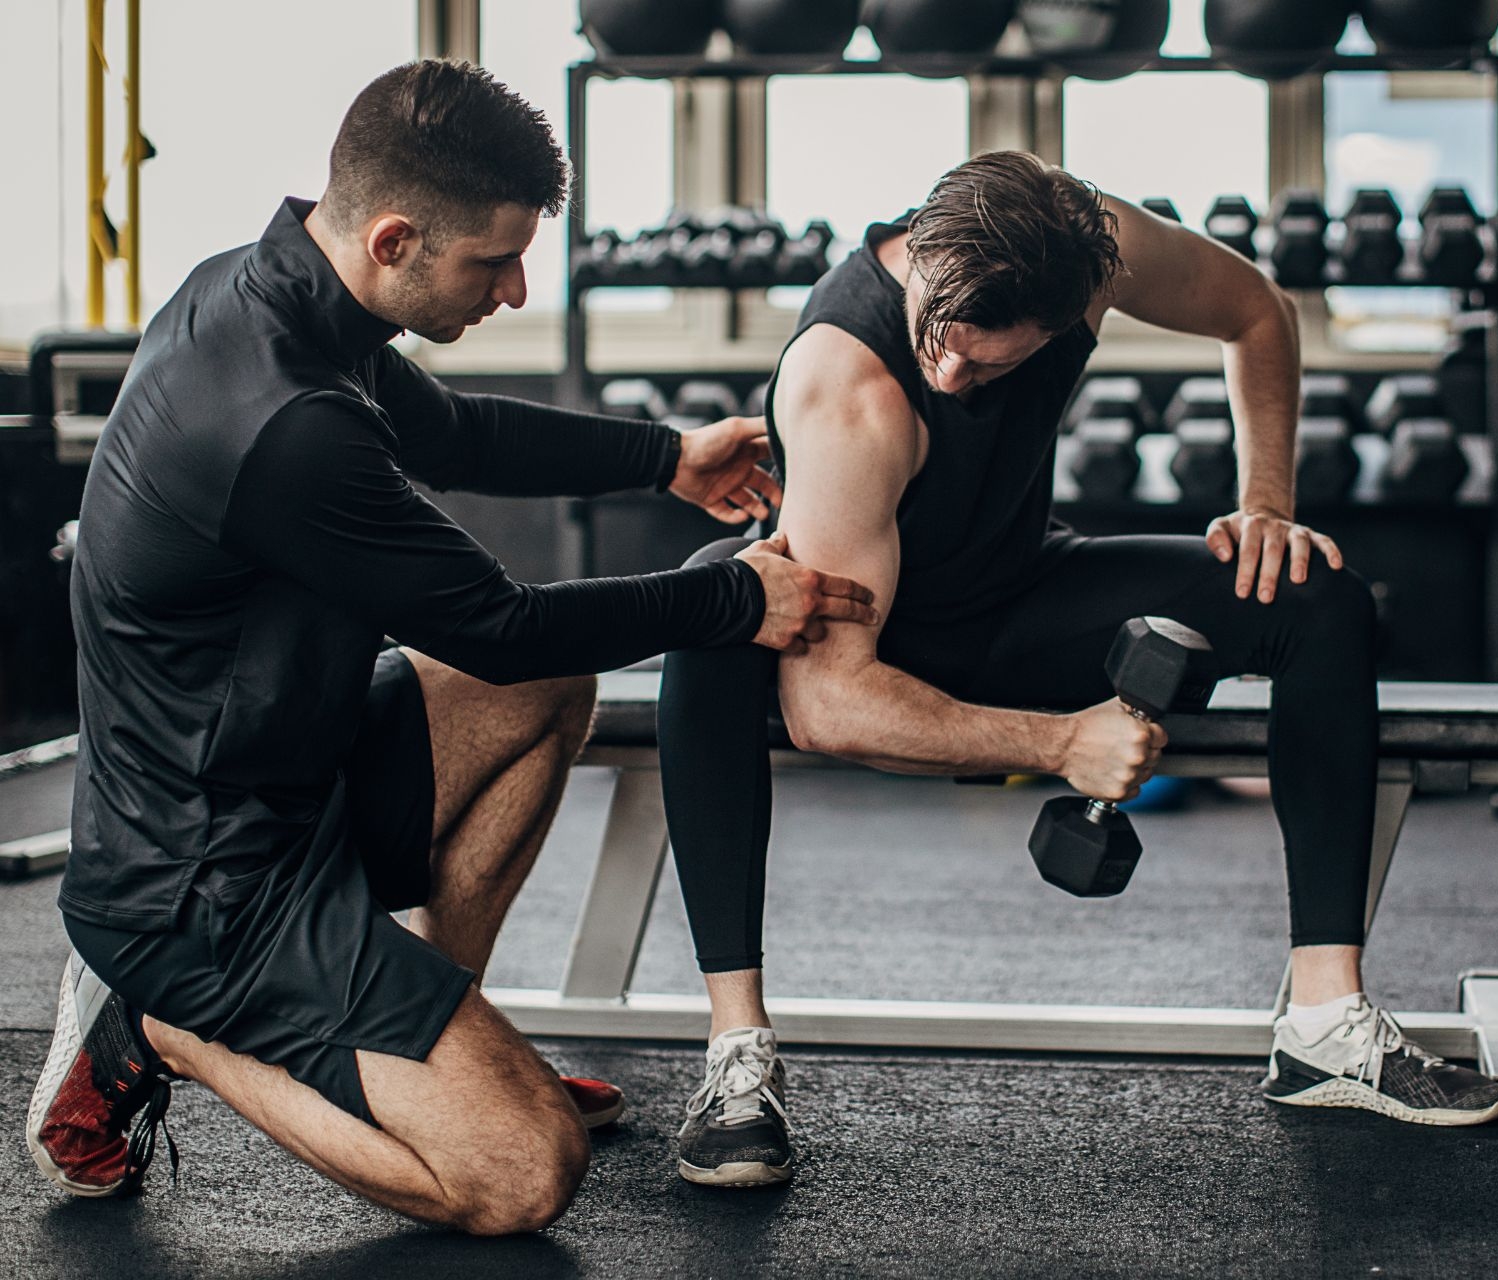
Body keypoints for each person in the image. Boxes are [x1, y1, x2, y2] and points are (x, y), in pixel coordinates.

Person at [24, 59, 877, 1233]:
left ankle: (429, 1036)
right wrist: (735, 602)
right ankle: (159, 1024)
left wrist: (664, 455)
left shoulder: (279, 297)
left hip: (286, 774)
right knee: (527, 1171)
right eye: (494, 260)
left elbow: (455, 433)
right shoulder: (284, 427)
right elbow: (496, 620)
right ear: (394, 239)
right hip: (202, 887)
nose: (519, 289)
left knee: (541, 693)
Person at [656, 151, 1498, 1189]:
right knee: (714, 603)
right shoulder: (851, 386)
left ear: (1078, 310)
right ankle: (738, 1055)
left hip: (1022, 589)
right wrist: (1064, 741)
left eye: (986, 364)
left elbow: (1257, 309)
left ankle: (1326, 1020)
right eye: (935, 335)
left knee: (1317, 594)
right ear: (922, 250)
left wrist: (1268, 503)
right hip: (863, 633)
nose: (947, 375)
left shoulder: (1098, 244)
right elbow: (832, 706)